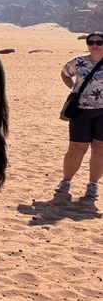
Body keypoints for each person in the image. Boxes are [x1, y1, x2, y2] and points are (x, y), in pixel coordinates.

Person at [55, 31, 103, 200]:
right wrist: (73, 90)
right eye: (91, 42)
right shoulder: (78, 62)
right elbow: (65, 73)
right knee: (76, 148)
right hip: (81, 111)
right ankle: (66, 181)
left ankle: (93, 185)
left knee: (99, 148)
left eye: (99, 42)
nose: (95, 45)